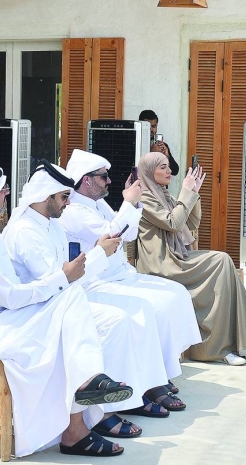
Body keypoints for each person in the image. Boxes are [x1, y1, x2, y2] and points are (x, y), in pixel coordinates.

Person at [0, 165, 135, 458]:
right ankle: (77, 420)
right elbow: (8, 294)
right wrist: (61, 278)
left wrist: (62, 281)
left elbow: (13, 290)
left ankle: (81, 402)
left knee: (68, 305)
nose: (7, 195)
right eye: (1, 191)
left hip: (1, 316)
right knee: (60, 325)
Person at [2, 162, 171, 433]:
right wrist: (99, 253)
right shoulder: (25, 230)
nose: (69, 203)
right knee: (115, 321)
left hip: (64, 301)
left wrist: (99, 252)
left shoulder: (51, 224)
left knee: (126, 316)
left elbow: (68, 275)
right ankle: (99, 411)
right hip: (36, 310)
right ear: (47, 197)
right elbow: (55, 280)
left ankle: (122, 394)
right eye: (64, 197)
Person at [61, 149, 201, 403]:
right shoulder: (74, 210)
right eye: (103, 177)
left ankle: (160, 373)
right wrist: (128, 203)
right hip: (98, 282)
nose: (109, 181)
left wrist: (133, 204)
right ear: (86, 180)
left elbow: (129, 233)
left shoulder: (97, 203)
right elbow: (111, 234)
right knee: (149, 309)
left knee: (176, 294)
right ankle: (149, 382)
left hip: (121, 274)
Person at [135, 152, 246, 365]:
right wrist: (186, 192)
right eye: (162, 167)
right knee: (221, 262)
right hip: (161, 264)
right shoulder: (145, 197)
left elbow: (190, 225)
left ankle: (224, 345)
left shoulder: (163, 195)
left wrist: (194, 194)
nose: (169, 170)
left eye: (168, 166)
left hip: (176, 257)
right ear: (148, 172)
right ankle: (216, 348)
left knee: (224, 263)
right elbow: (173, 223)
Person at [139, 110, 179, 176]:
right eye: (148, 127)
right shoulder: (134, 144)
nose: (151, 130)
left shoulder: (162, 146)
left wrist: (167, 156)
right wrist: (151, 153)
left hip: (160, 186)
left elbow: (175, 171)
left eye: (154, 126)